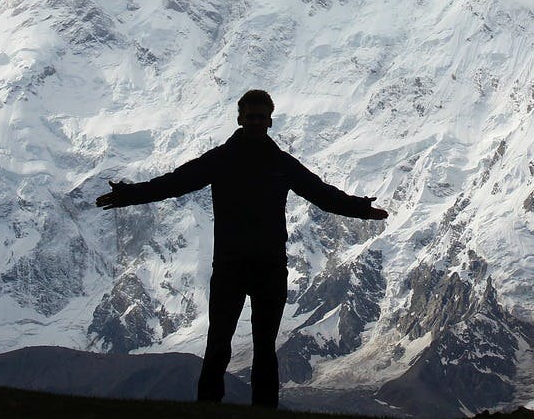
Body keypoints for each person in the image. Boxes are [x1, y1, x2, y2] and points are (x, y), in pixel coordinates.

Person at [95, 89, 388, 408]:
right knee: (219, 343)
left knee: (263, 347)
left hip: (264, 266)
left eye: (260, 117)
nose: (256, 121)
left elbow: (320, 193)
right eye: (251, 116)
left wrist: (359, 208)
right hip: (234, 266)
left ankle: (237, 409)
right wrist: (129, 194)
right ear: (241, 119)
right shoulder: (231, 160)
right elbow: (174, 183)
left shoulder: (270, 162)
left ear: (269, 121)